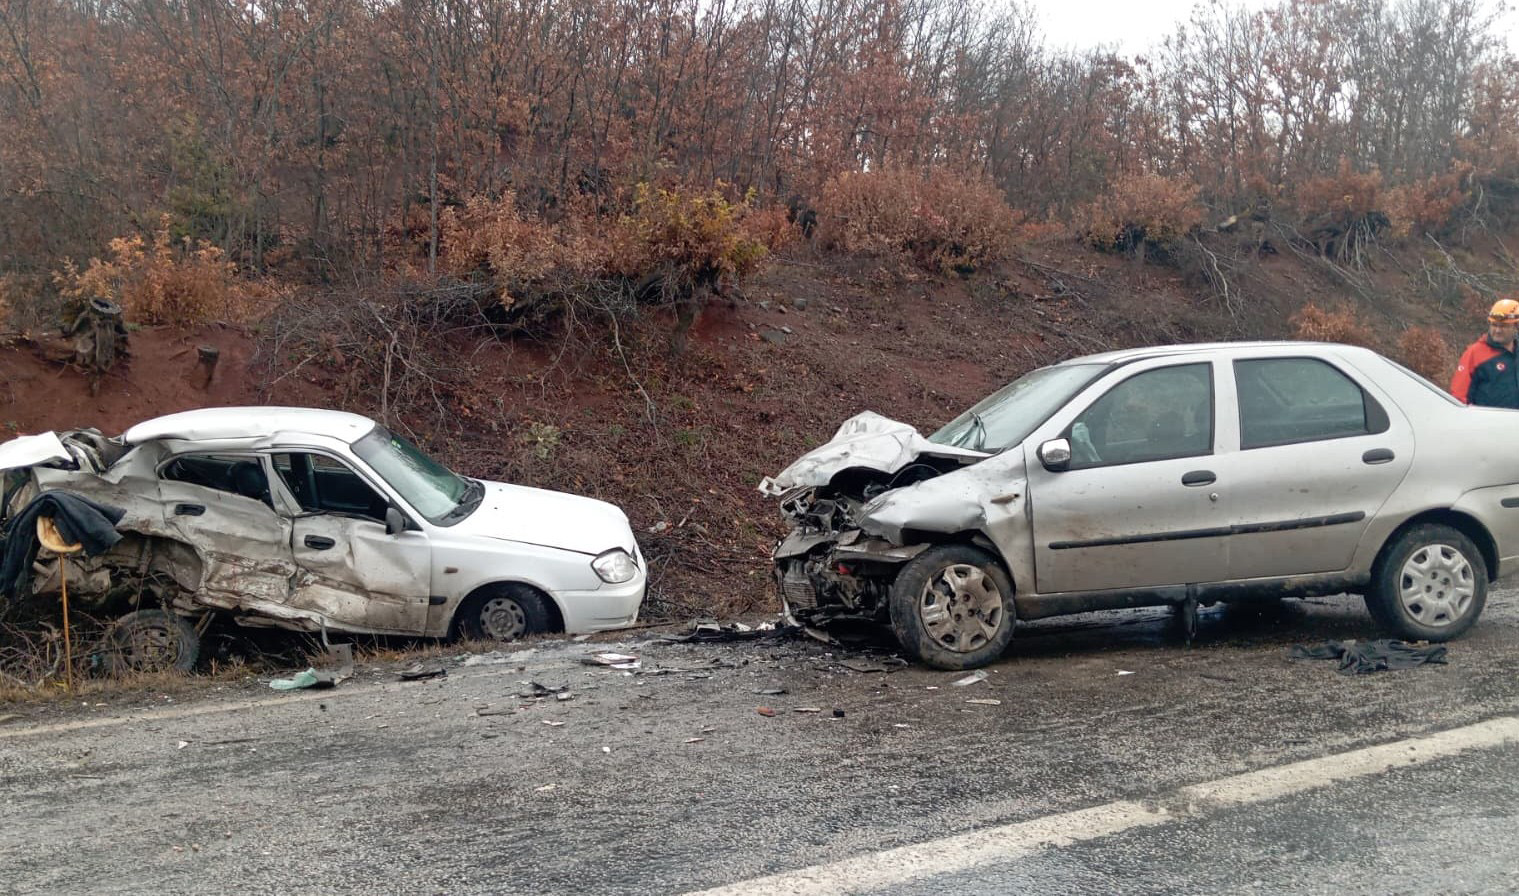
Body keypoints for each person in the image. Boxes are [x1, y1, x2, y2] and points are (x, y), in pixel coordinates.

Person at [1451, 299, 1519, 408]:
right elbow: (1458, 397)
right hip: (1486, 422)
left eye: (1503, 326)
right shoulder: (1475, 353)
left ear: (1516, 327)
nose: (1497, 330)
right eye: (1494, 325)